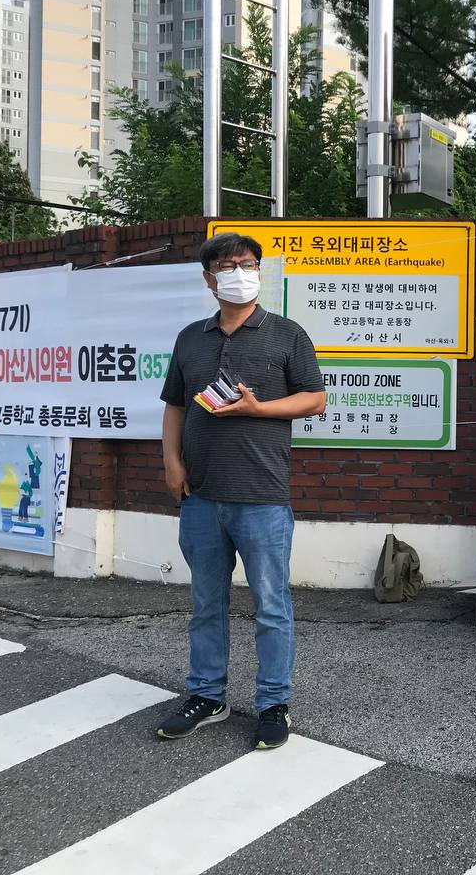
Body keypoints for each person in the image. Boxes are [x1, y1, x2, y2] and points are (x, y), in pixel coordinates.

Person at [156, 233, 326, 749]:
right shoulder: (191, 338)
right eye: (227, 266)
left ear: (259, 272)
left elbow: (316, 400)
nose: (239, 272)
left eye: (247, 264)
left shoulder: (286, 334)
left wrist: (257, 409)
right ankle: (207, 694)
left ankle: (274, 702)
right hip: (200, 496)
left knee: (271, 605)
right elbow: (175, 406)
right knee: (206, 603)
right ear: (209, 279)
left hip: (262, 495)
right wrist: (171, 463)